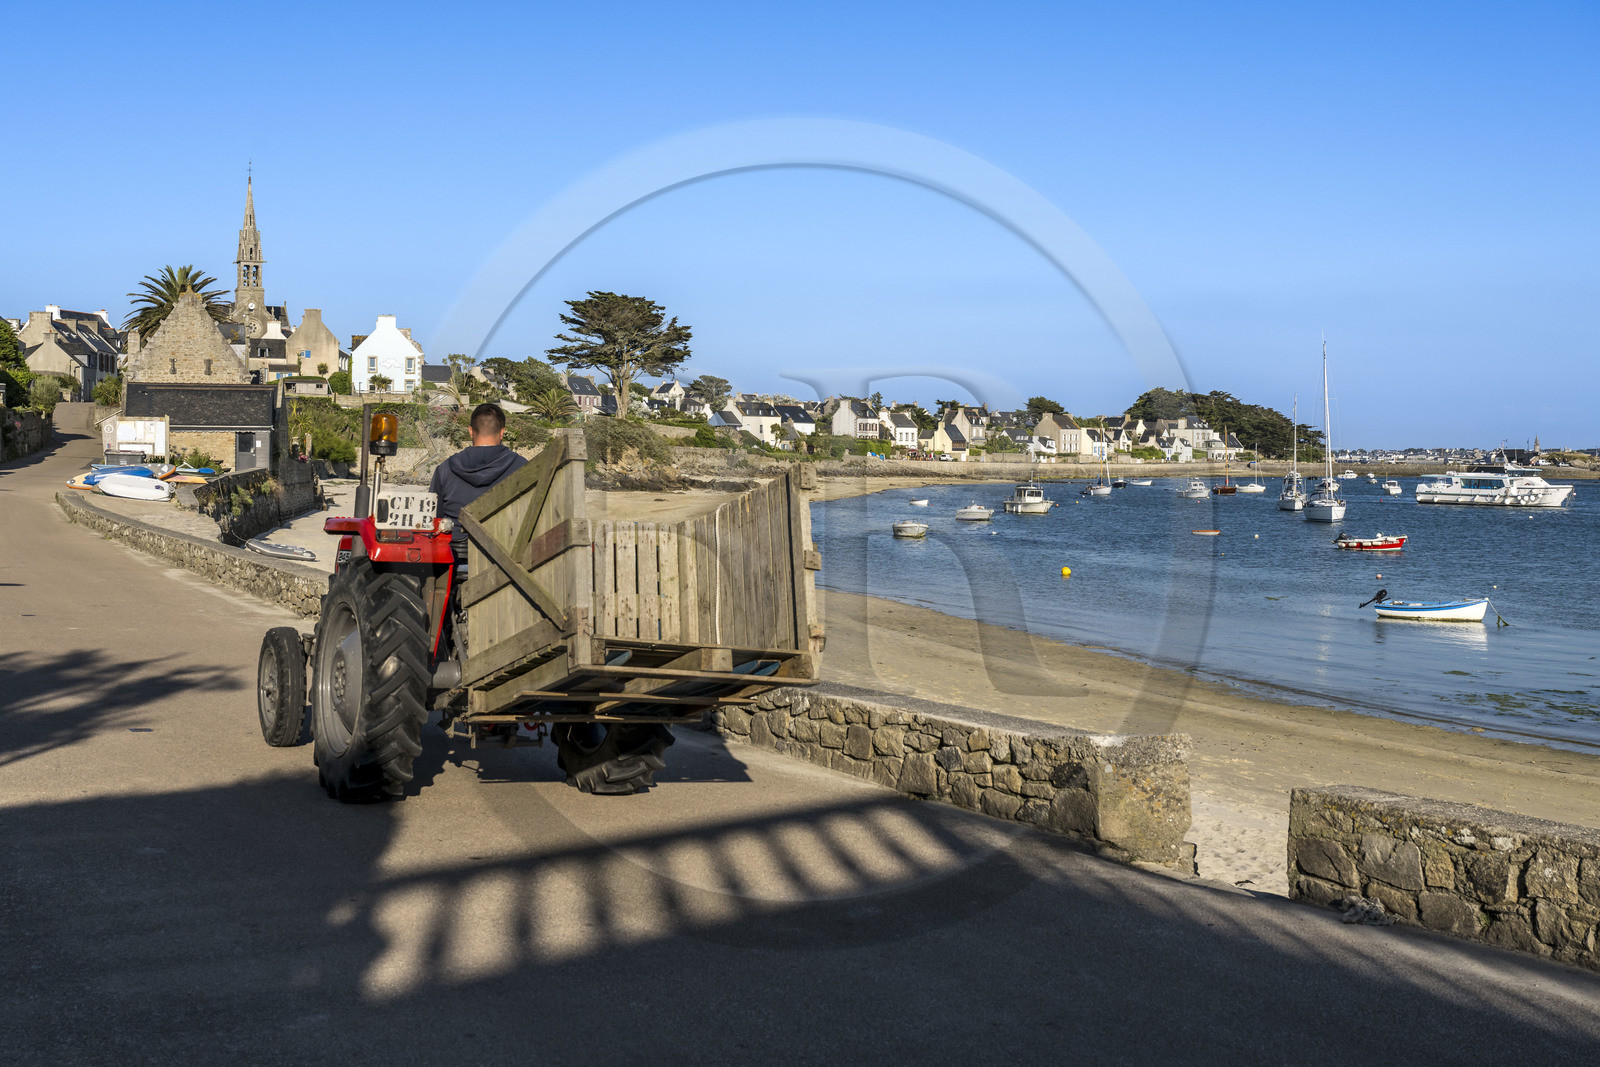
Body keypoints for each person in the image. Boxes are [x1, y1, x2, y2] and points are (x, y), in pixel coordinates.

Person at [429, 402, 527, 562]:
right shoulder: (522, 467)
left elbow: (433, 518)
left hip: (455, 557)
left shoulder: (445, 469)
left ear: (470, 431)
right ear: (502, 432)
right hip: (504, 560)